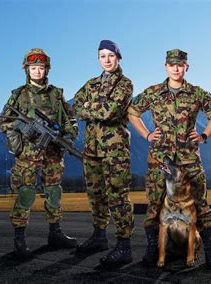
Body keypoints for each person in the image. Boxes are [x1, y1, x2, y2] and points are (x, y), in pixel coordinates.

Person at [128, 49, 211, 270]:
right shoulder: (153, 92)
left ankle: (210, 252)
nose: (176, 68)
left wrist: (204, 135)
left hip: (189, 158)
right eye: (172, 65)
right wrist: (147, 135)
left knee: (201, 203)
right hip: (159, 158)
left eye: (180, 65)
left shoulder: (197, 93)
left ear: (186, 67)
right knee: (154, 204)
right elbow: (132, 112)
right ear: (166, 67)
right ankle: (153, 251)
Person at [0, 48, 79, 257]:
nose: (37, 71)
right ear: (27, 70)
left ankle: (55, 232)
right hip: (27, 155)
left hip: (53, 153)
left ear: (46, 70)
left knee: (54, 191)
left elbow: (70, 119)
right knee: (26, 192)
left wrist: (70, 135)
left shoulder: (56, 94)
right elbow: (4, 122)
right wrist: (19, 126)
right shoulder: (18, 95)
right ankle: (19, 237)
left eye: (41, 68)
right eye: (33, 68)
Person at [73, 40, 134, 267]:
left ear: (118, 57)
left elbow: (111, 112)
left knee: (117, 195)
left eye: (110, 55)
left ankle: (124, 245)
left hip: (115, 149)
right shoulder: (91, 84)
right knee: (95, 194)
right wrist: (93, 108)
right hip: (92, 148)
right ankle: (99, 236)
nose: (106, 60)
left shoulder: (125, 84)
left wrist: (90, 109)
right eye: (102, 56)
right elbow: (76, 106)